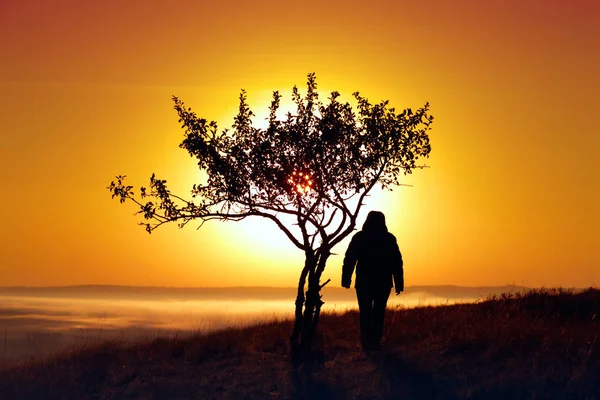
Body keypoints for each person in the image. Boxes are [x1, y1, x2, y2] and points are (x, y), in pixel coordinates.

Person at [341, 211, 404, 351]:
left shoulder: (360, 237)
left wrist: (346, 278)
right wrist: (399, 283)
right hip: (383, 282)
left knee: (365, 312)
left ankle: (367, 343)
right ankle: (374, 342)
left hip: (364, 282)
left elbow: (350, 258)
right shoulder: (389, 238)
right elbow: (397, 262)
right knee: (378, 312)